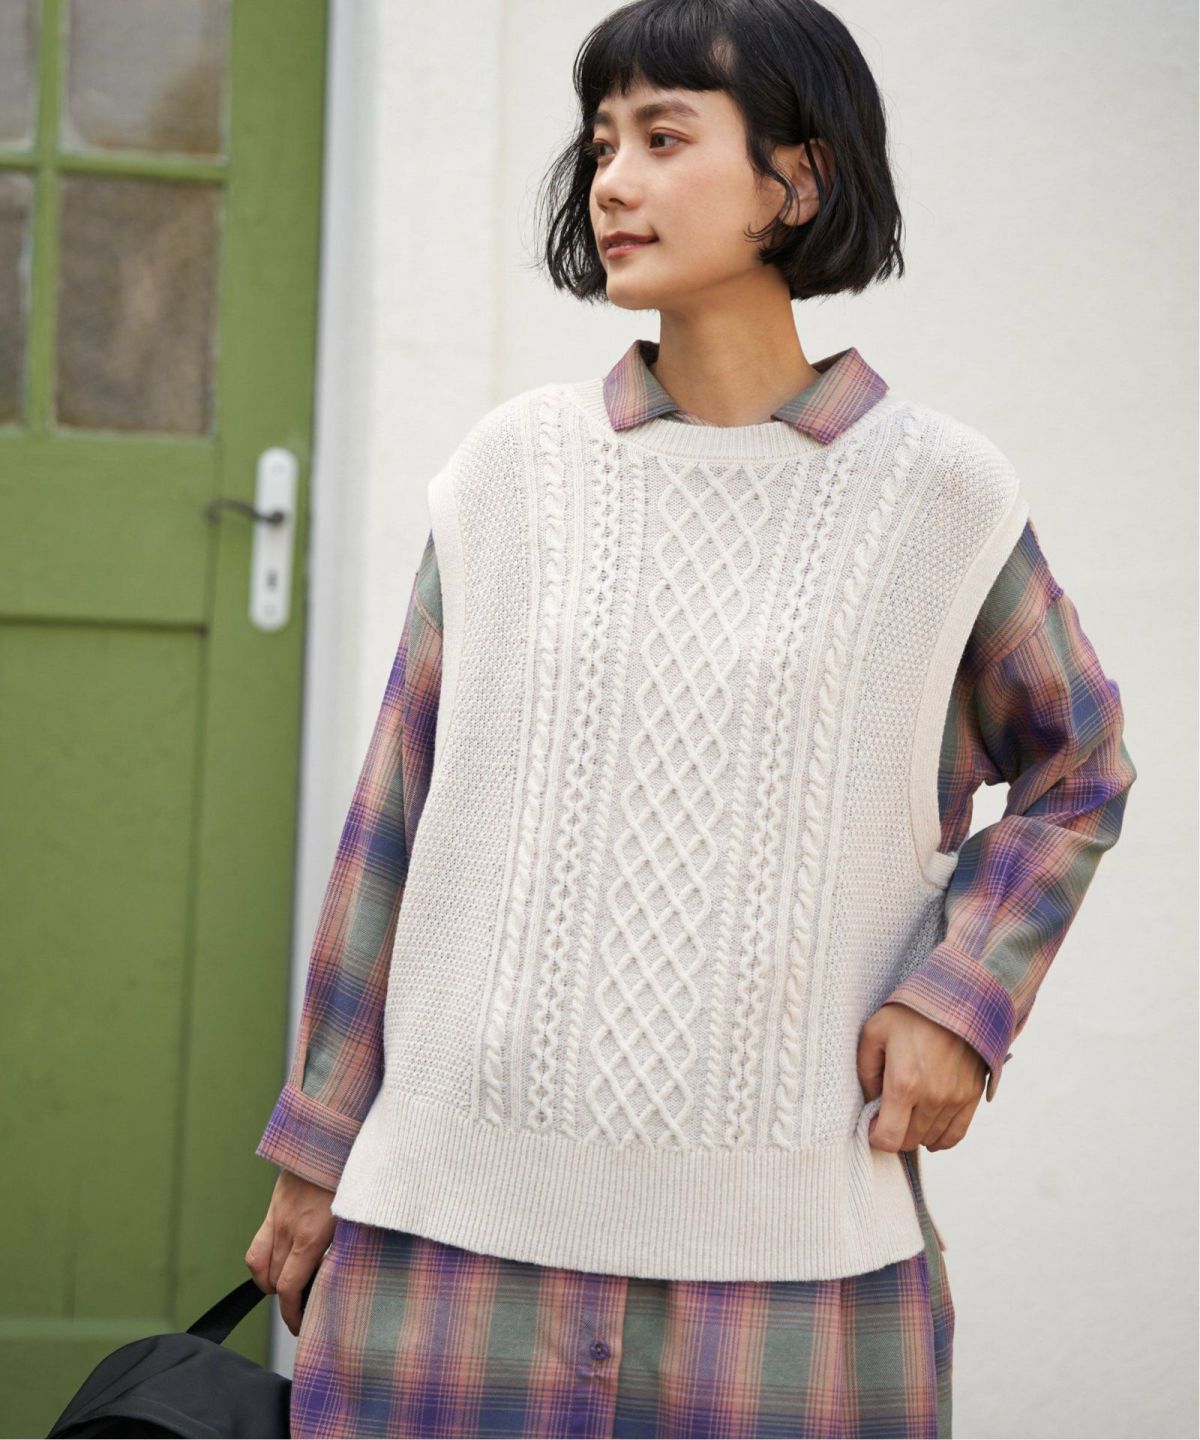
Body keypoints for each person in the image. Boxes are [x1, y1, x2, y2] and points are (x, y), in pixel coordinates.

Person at [245, 2, 1136, 1435]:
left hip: (797, 1285)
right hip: (447, 1259)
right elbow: (390, 827)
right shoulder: (509, 476)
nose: (612, 179)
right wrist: (313, 1148)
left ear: (798, 180)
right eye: (602, 143)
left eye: (665, 138)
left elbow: (1079, 768)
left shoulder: (942, 498)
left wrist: (960, 1002)